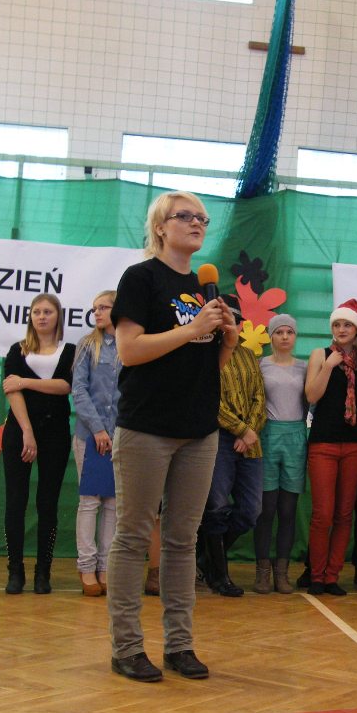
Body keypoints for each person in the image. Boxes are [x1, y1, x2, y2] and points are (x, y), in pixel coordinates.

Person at [107, 191, 238, 684]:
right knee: (134, 537)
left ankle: (179, 645)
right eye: (185, 216)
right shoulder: (140, 278)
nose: (197, 223)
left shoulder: (204, 288)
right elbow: (130, 350)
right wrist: (192, 329)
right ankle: (126, 648)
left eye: (202, 218)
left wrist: (225, 343)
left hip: (199, 431)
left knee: (183, 541)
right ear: (161, 226)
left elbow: (204, 368)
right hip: (146, 426)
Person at [1, 293, 75, 595]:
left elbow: (65, 386)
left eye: (47, 311)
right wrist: (27, 432)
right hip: (20, 432)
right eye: (36, 312)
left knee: (48, 503)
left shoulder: (71, 351)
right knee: (15, 501)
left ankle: (43, 571)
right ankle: (15, 570)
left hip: (56, 433)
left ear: (58, 316)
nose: (41, 316)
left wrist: (26, 381)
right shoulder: (16, 350)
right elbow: (11, 389)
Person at [304, 298, 357, 596]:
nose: (341, 329)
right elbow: (311, 396)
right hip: (323, 443)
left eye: (347, 325)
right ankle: (316, 575)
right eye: (337, 325)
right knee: (323, 513)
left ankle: (332, 576)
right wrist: (329, 366)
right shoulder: (320, 355)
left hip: (354, 445)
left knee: (345, 514)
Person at [199, 315, 266, 598]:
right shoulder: (205, 354)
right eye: (225, 320)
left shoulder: (249, 355)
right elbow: (207, 399)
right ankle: (220, 577)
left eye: (235, 320)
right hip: (218, 437)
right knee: (216, 507)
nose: (230, 325)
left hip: (250, 440)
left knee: (251, 511)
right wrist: (240, 429)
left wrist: (249, 431)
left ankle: (205, 559)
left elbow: (260, 396)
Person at [71, 290, 122, 598]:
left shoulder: (130, 344)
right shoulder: (87, 345)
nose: (98, 313)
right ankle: (87, 566)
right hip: (89, 435)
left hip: (121, 437)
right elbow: (79, 390)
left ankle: (106, 567)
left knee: (113, 503)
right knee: (90, 501)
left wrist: (117, 433)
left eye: (104, 307)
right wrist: (99, 429)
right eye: (95, 309)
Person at [254, 314, 308, 594]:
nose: (285, 336)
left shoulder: (305, 367)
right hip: (267, 436)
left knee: (288, 509)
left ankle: (282, 572)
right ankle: (262, 571)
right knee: (266, 509)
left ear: (295, 336)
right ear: (271, 336)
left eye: (290, 332)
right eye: (279, 332)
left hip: (296, 437)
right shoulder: (260, 365)